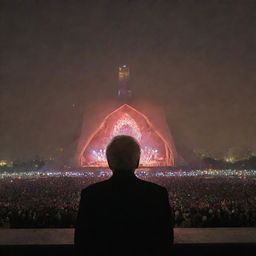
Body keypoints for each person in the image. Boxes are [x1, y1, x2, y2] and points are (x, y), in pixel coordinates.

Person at [74, 135, 174, 256]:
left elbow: (81, 241)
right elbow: (166, 240)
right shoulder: (157, 194)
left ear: (109, 163)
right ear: (137, 162)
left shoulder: (90, 194)